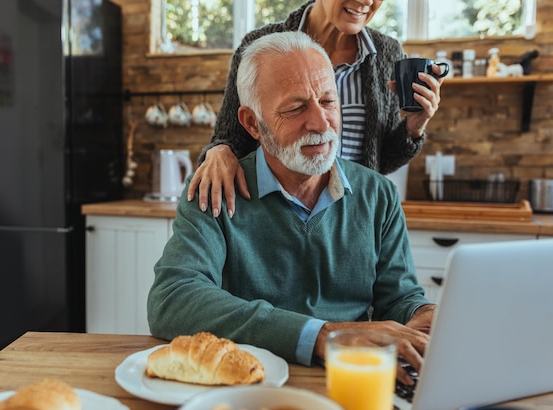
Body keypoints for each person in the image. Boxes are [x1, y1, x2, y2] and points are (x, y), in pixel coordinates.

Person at [148, 31, 434, 384]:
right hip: (250, 387)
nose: (320, 123)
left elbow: (400, 298)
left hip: (354, 383)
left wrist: (422, 313)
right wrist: (320, 335)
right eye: (296, 108)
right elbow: (171, 300)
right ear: (253, 123)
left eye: (328, 101)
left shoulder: (379, 195)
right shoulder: (214, 191)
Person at [188, 0, 445, 218]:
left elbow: (382, 161)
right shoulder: (261, 47)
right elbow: (232, 137)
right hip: (273, 220)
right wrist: (219, 150)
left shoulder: (387, 53)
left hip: (352, 221)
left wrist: (414, 125)